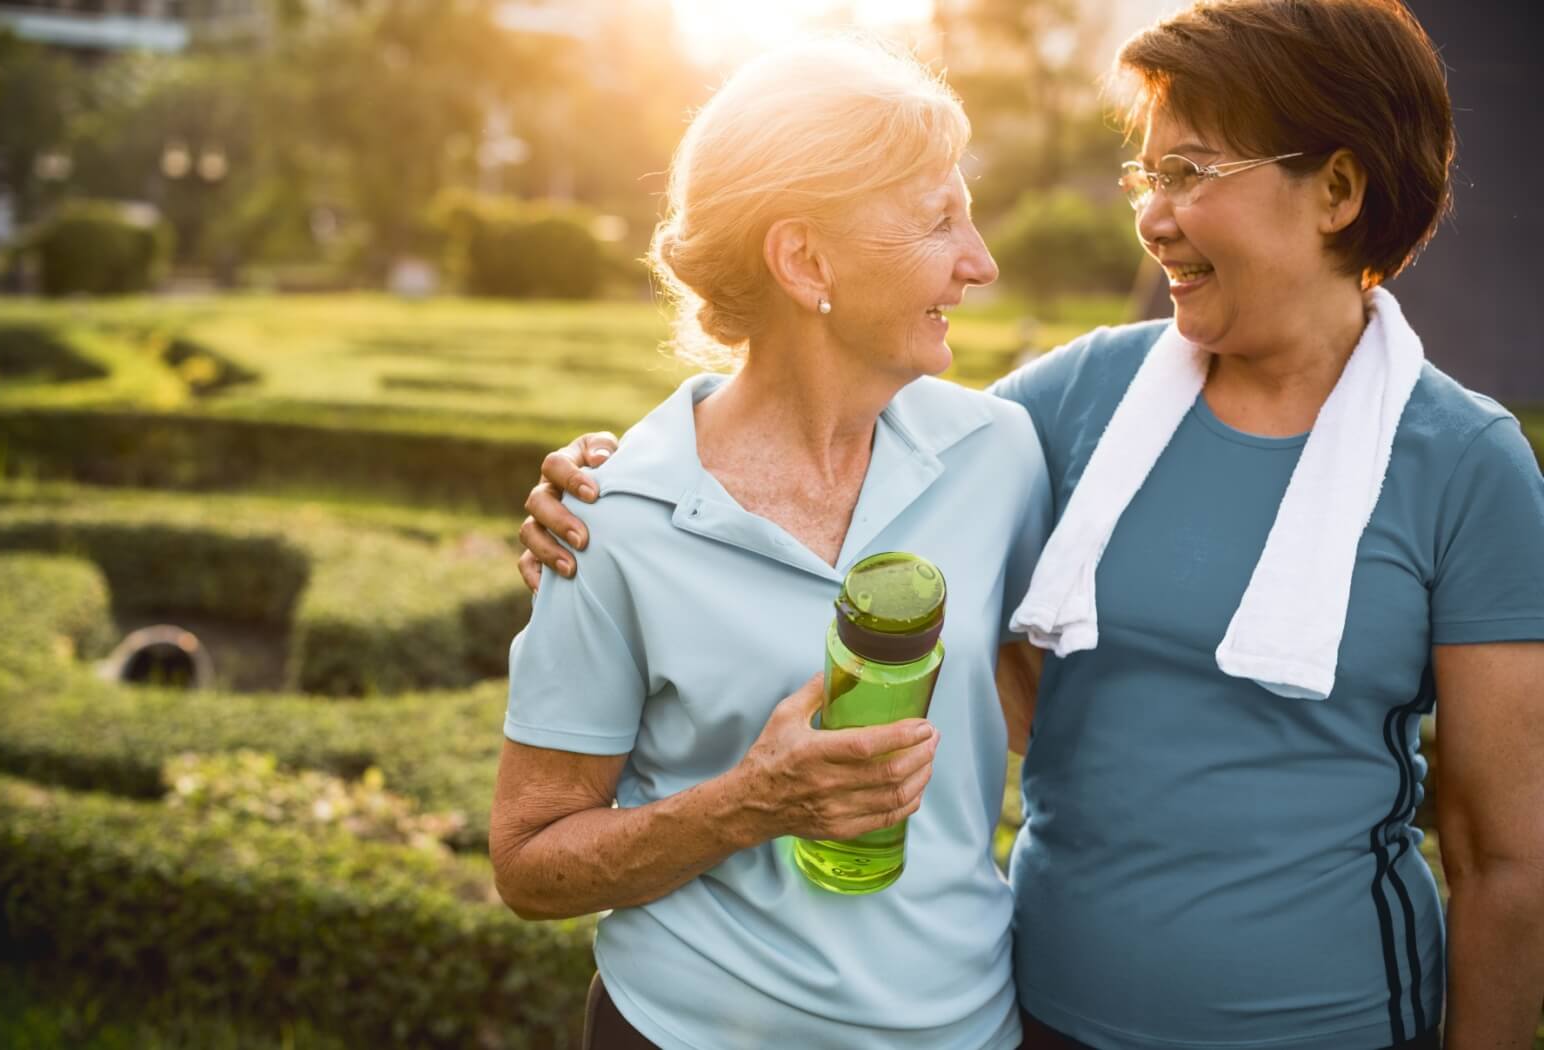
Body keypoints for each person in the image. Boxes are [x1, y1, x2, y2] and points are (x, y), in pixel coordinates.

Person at [515, 2, 1544, 1048]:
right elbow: (831, 404)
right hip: (1045, 1018)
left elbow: (1502, 855)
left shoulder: (1466, 463)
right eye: (1150, 177)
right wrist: (613, 476)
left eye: (1191, 171)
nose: (1151, 214)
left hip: (1335, 1024)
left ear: (1336, 189)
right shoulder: (1075, 401)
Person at [490, 37, 1053, 1050]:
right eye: (939, 221)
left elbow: (1041, 709)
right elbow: (529, 863)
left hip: (963, 1030)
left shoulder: (1001, 453)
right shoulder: (610, 518)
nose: (981, 262)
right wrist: (750, 805)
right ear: (804, 260)